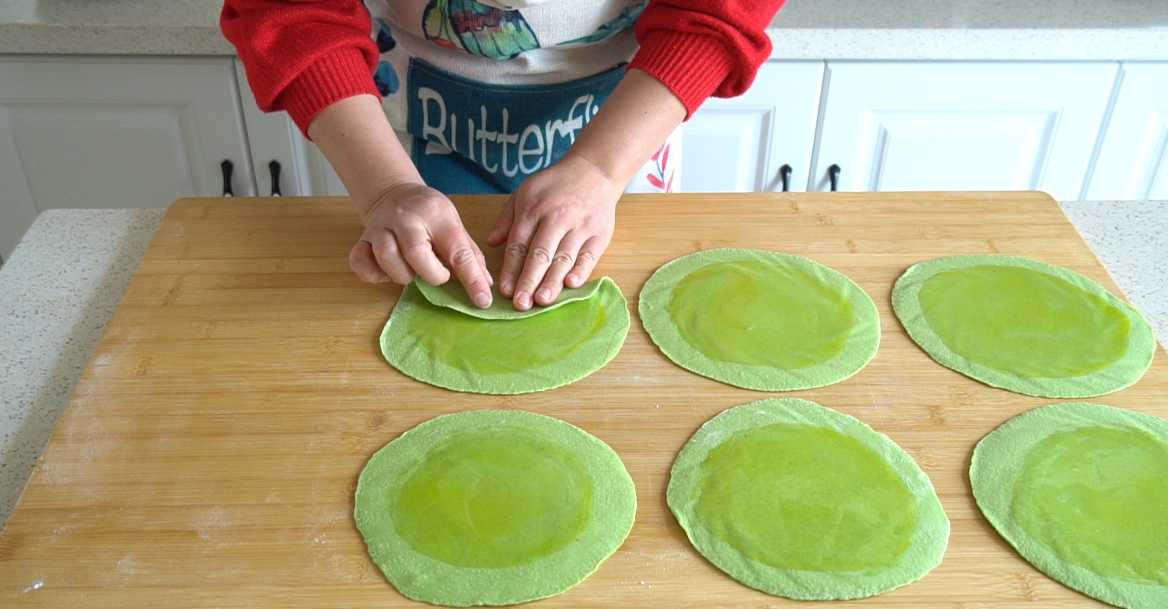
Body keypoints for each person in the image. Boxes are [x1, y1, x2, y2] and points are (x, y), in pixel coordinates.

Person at [222, 0, 785, 310]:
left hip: (626, 132)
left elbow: (719, 8)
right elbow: (292, 9)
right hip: (390, 139)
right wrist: (386, 189)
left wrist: (598, 169)